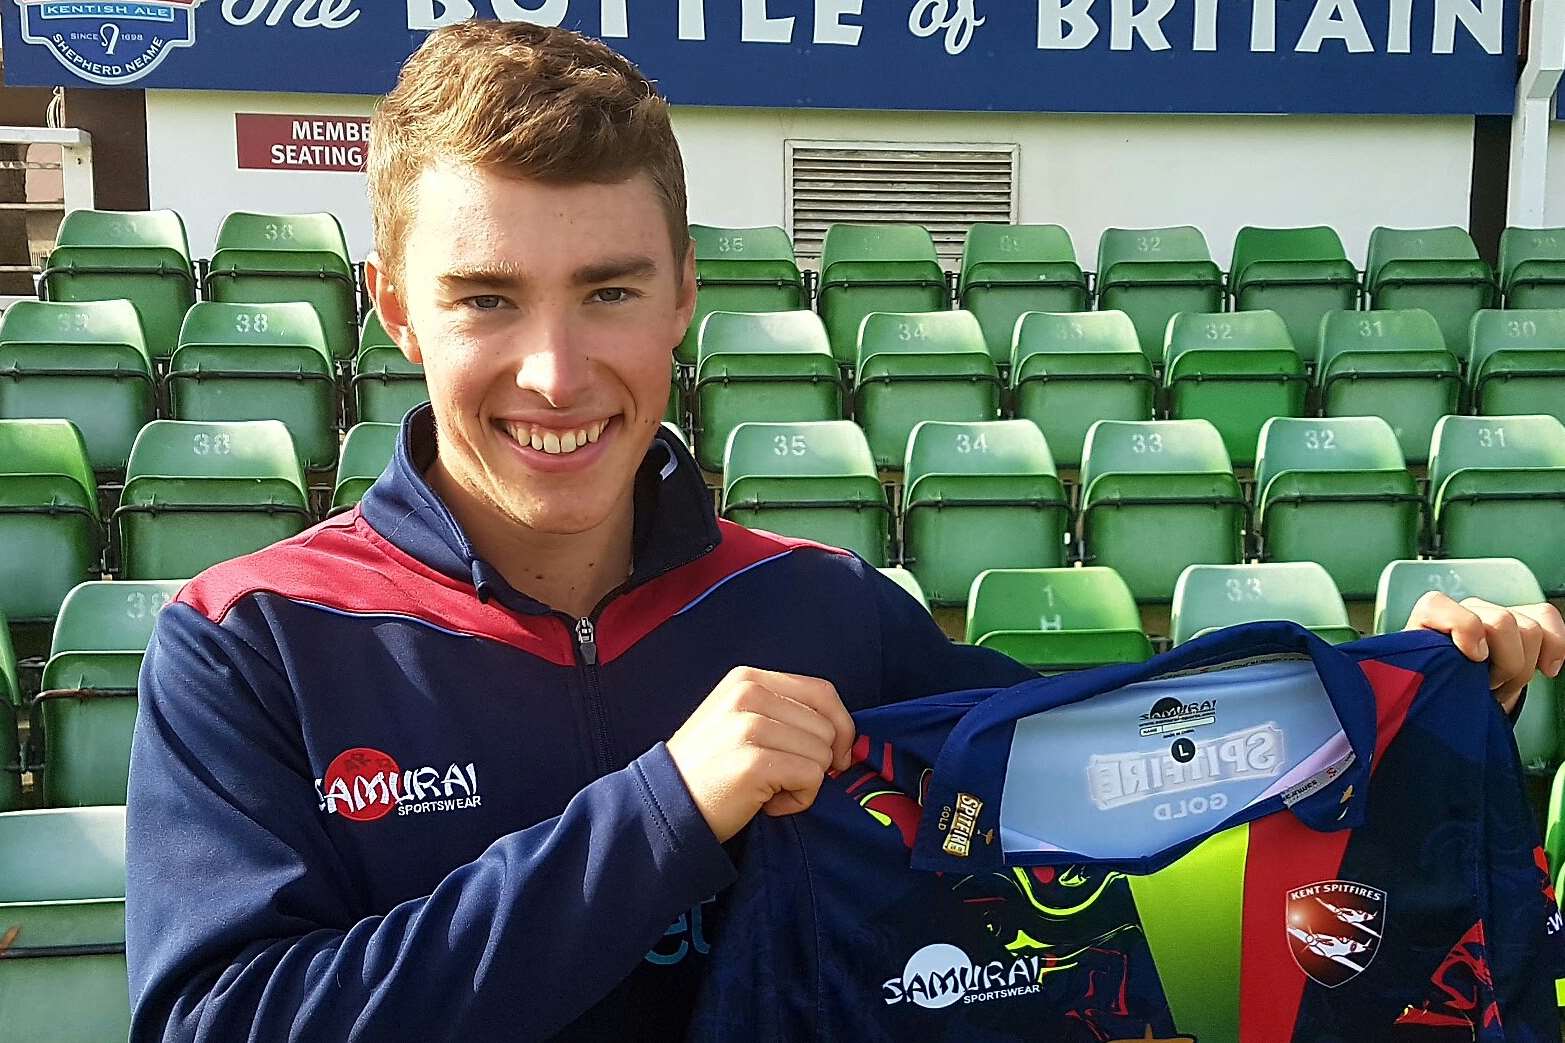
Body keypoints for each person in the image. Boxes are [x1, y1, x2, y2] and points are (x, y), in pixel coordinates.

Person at [124, 20, 1565, 1042]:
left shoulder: (816, 611)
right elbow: (224, 1024)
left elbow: (1138, 771)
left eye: (610, 291)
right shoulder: (250, 641)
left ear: (684, 293)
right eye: (487, 298)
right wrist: (662, 811)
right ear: (393, 308)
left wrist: (1396, 694)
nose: (555, 372)